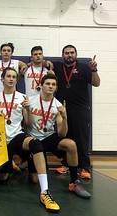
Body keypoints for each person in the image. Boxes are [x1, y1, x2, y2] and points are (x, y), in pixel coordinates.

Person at [0, 67, 60, 213]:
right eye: (8, 76)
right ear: (2, 79)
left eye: (14, 77)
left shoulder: (23, 98)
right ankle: (10, 163)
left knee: (36, 144)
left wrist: (27, 110)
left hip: (17, 136)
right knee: (2, 178)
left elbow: (29, 124)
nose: (11, 79)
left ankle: (44, 191)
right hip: (0, 141)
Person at [27, 74, 91, 199]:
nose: (50, 86)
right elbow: (26, 125)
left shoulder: (58, 105)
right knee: (34, 180)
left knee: (71, 144)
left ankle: (74, 182)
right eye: (48, 84)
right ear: (41, 85)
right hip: (34, 139)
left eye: (53, 84)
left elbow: (62, 134)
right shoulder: (30, 101)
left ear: (56, 88)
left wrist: (65, 117)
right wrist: (27, 110)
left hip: (49, 137)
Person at [53, 45, 100, 179]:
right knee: (66, 137)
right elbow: (45, 63)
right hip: (64, 109)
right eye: (67, 53)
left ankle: (84, 166)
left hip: (81, 108)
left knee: (81, 138)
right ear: (62, 55)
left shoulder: (85, 68)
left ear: (76, 54)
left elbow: (96, 83)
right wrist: (47, 64)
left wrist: (94, 70)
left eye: (72, 53)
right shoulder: (57, 67)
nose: (69, 55)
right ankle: (66, 164)